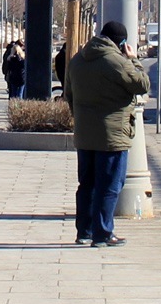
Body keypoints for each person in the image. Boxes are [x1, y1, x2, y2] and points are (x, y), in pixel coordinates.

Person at [63, 20, 150, 247]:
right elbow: (142, 84)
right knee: (110, 185)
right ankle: (103, 233)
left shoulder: (77, 61)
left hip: (85, 135)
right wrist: (134, 60)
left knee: (87, 184)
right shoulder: (117, 62)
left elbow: (69, 95)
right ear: (120, 42)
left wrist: (81, 118)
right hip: (112, 136)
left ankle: (84, 232)